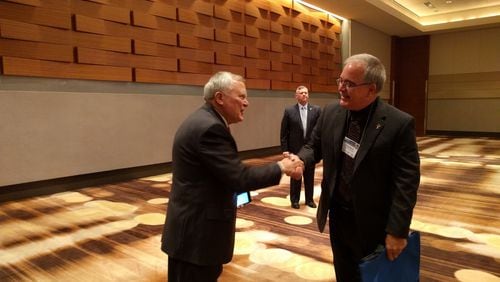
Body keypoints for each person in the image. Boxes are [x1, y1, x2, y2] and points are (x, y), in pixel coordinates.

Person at [161, 71, 304, 282]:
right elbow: (239, 176)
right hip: (196, 238)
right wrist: (282, 167)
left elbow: (222, 173)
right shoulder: (210, 128)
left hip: (191, 234)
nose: (246, 103)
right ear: (220, 98)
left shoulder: (205, 120)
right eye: (241, 97)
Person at [297, 54, 420, 281]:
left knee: (373, 276)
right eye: (340, 81)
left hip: (374, 222)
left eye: (349, 84)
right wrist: (301, 160)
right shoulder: (331, 112)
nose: (341, 88)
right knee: (344, 272)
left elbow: (407, 182)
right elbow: (313, 146)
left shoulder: (398, 124)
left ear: (371, 89)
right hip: (338, 215)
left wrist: (398, 230)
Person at [280, 85, 321, 209]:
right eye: (301, 93)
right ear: (296, 96)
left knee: (309, 176)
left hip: (310, 150)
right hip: (295, 150)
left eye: (306, 93)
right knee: (296, 176)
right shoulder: (289, 111)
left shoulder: (316, 110)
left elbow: (319, 131)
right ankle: (295, 200)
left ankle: (309, 200)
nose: (304, 95)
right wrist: (285, 149)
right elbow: (284, 132)